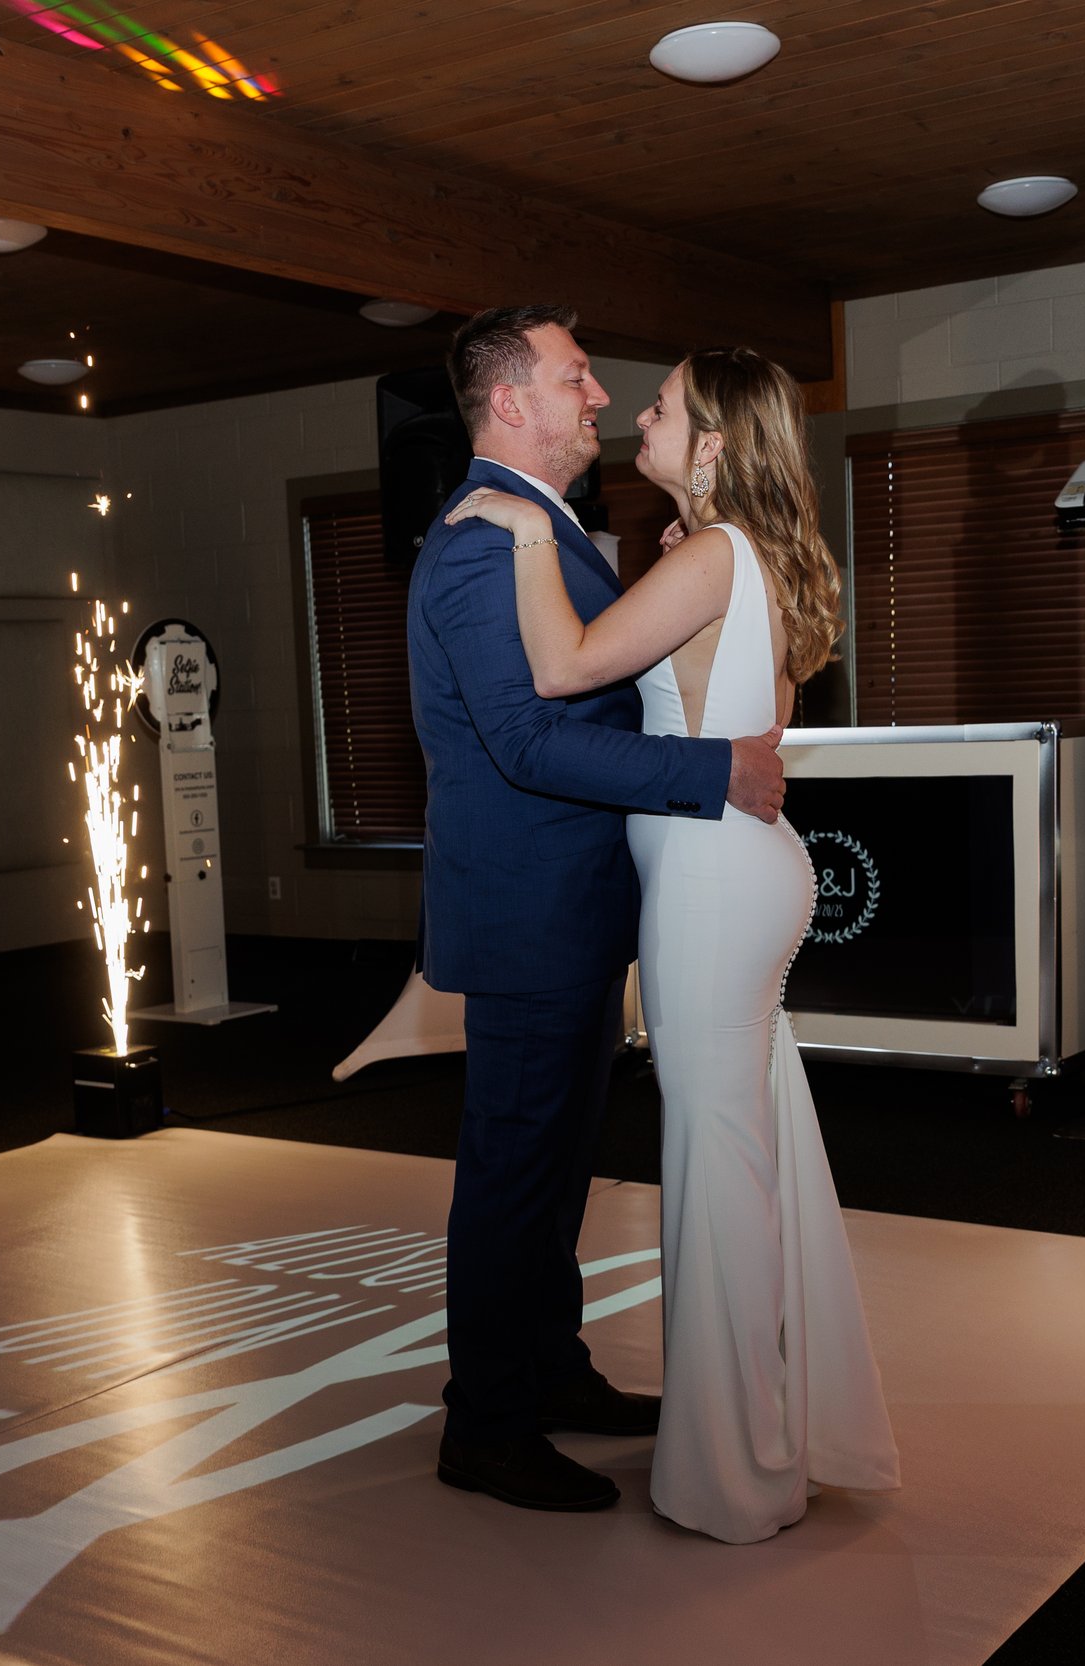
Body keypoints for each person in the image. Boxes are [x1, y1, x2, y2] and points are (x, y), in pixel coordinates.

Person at [444, 343, 901, 1543]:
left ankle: (737, 1472)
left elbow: (559, 670)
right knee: (748, 1155)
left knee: (716, 1171)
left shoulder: (707, 554)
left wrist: (528, 533)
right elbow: (746, 713)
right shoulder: (744, 551)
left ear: (713, 443)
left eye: (661, 405)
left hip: (708, 885)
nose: (630, 411)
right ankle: (767, 1431)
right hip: (745, 873)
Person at [408, 305, 788, 1514]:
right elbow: (528, 741)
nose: (599, 397)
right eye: (575, 377)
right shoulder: (482, 543)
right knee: (514, 1175)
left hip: (570, 909)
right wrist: (710, 770)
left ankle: (549, 1371)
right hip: (528, 915)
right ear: (509, 401)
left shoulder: (550, 527)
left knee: (557, 1168)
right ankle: (487, 1425)